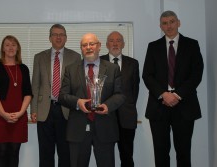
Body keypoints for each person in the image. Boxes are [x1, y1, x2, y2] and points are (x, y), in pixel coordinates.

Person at [142, 10, 204, 167]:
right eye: (165, 23)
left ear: (178, 22)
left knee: (183, 152)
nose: (168, 26)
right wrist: (164, 95)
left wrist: (177, 95)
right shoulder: (153, 47)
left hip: (184, 105)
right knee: (161, 153)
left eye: (172, 21)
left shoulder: (192, 45)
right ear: (160, 26)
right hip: (159, 106)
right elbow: (147, 75)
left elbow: (196, 74)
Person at [59, 33, 126, 167]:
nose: (88, 47)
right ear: (81, 48)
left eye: (92, 44)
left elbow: (120, 94)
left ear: (99, 46)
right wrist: (78, 102)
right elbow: (62, 96)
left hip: (105, 128)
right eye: (84, 45)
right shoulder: (71, 69)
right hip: (78, 129)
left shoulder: (112, 68)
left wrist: (107, 106)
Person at [30, 24, 81, 167]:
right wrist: (33, 110)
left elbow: (77, 87)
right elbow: (35, 85)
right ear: (50, 38)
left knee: (65, 152)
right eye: (55, 34)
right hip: (44, 109)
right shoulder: (39, 57)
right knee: (45, 152)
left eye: (61, 34)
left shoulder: (75, 57)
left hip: (66, 110)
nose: (58, 37)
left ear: (66, 38)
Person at [0, 35, 33, 167]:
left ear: (18, 48)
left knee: (14, 151)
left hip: (19, 115)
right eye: (7, 45)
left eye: (13, 44)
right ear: (2, 48)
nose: (10, 47)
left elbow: (28, 93)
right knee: (1, 152)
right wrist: (3, 114)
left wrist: (20, 113)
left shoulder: (23, 68)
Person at [100, 31, 140, 167]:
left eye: (118, 40)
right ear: (106, 44)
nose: (115, 43)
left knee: (127, 156)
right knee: (105, 157)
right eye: (111, 40)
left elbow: (135, 90)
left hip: (127, 117)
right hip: (104, 117)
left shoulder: (133, 64)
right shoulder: (99, 62)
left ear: (123, 44)